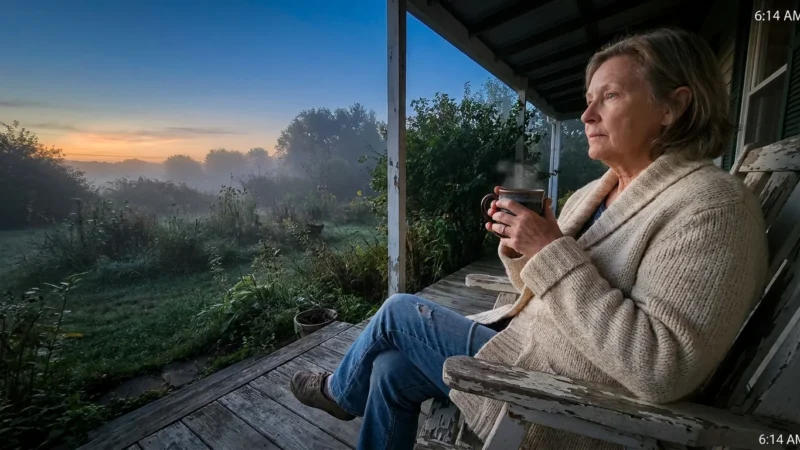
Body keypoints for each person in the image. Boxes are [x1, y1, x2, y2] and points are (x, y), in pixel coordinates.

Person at [290, 27, 769, 450]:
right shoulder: (598, 190)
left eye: (610, 96)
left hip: (565, 394)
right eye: (589, 98)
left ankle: (339, 393)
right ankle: (347, 391)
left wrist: (549, 248)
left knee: (398, 312)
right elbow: (545, 287)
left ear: (674, 106)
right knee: (391, 371)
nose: (586, 114)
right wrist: (525, 249)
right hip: (527, 342)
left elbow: (661, 368)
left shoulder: (712, 207)